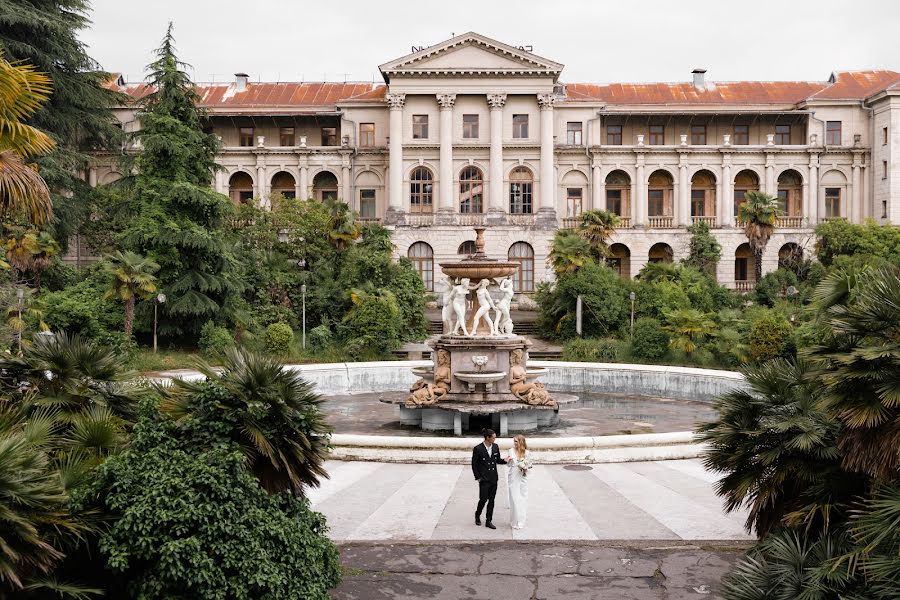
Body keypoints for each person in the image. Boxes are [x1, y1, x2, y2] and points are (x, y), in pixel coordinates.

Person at [471, 428, 507, 529]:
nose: (495, 439)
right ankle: (477, 515)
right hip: (484, 479)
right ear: (487, 438)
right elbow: (474, 465)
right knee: (483, 499)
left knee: (492, 500)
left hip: (493, 478)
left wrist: (506, 460)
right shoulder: (478, 448)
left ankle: (488, 520)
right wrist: (478, 477)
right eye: (494, 438)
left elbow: (497, 460)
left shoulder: (495, 447)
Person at [506, 434, 531, 529]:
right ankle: (514, 521)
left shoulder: (527, 453)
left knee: (522, 498)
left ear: (521, 442)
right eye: (514, 441)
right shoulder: (511, 451)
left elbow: (529, 464)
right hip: (513, 476)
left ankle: (521, 520)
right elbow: (508, 465)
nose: (514, 443)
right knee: (513, 498)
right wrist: (508, 460)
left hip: (523, 477)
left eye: (516, 441)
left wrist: (525, 468)